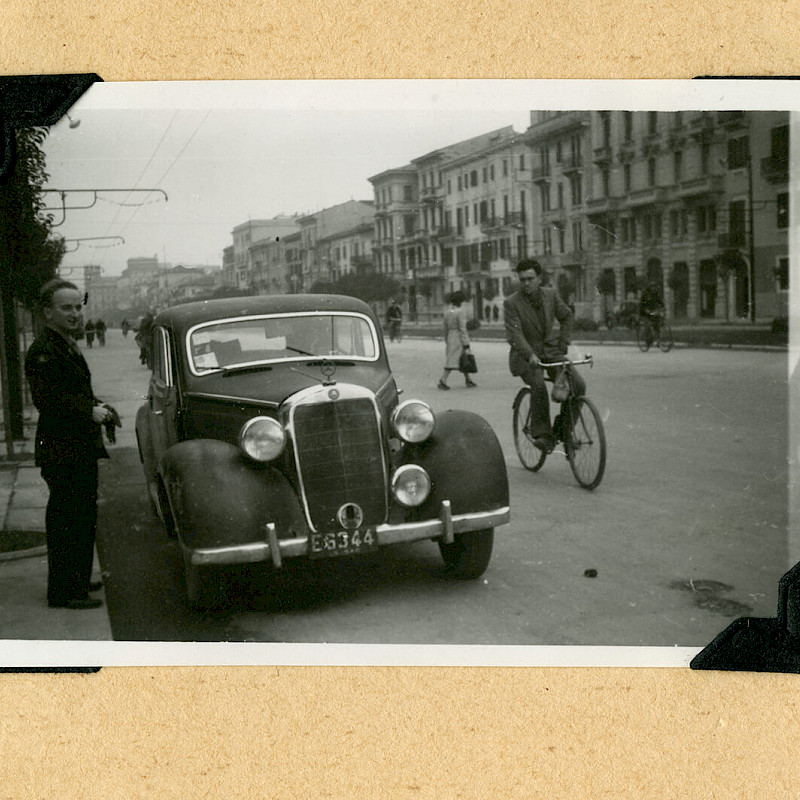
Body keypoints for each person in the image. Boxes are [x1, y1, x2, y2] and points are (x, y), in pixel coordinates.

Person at [24, 279, 115, 610]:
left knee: (82, 514)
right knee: (68, 518)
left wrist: (98, 404)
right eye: (67, 308)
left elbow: (73, 391)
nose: (76, 313)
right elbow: (49, 401)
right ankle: (64, 591)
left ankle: (75, 578)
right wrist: (89, 410)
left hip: (76, 445)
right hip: (63, 448)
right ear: (48, 312)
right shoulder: (44, 351)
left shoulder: (64, 343)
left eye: (78, 306)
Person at [504, 259, 584, 453]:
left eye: (530, 278)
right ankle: (542, 435)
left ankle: (563, 431)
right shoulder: (511, 303)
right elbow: (514, 335)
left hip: (550, 352)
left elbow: (566, 316)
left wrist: (563, 343)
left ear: (539, 278)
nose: (526, 283)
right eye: (522, 279)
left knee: (578, 385)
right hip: (525, 358)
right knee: (538, 385)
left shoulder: (551, 295)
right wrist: (530, 354)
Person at [438, 290, 476, 390]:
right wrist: (466, 342)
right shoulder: (460, 312)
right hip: (458, 338)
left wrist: (446, 339)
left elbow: (445, 328)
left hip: (450, 336)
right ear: (460, 302)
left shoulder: (447, 312)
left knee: (463, 359)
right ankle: (443, 380)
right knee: (453, 360)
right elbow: (462, 328)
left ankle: (468, 379)